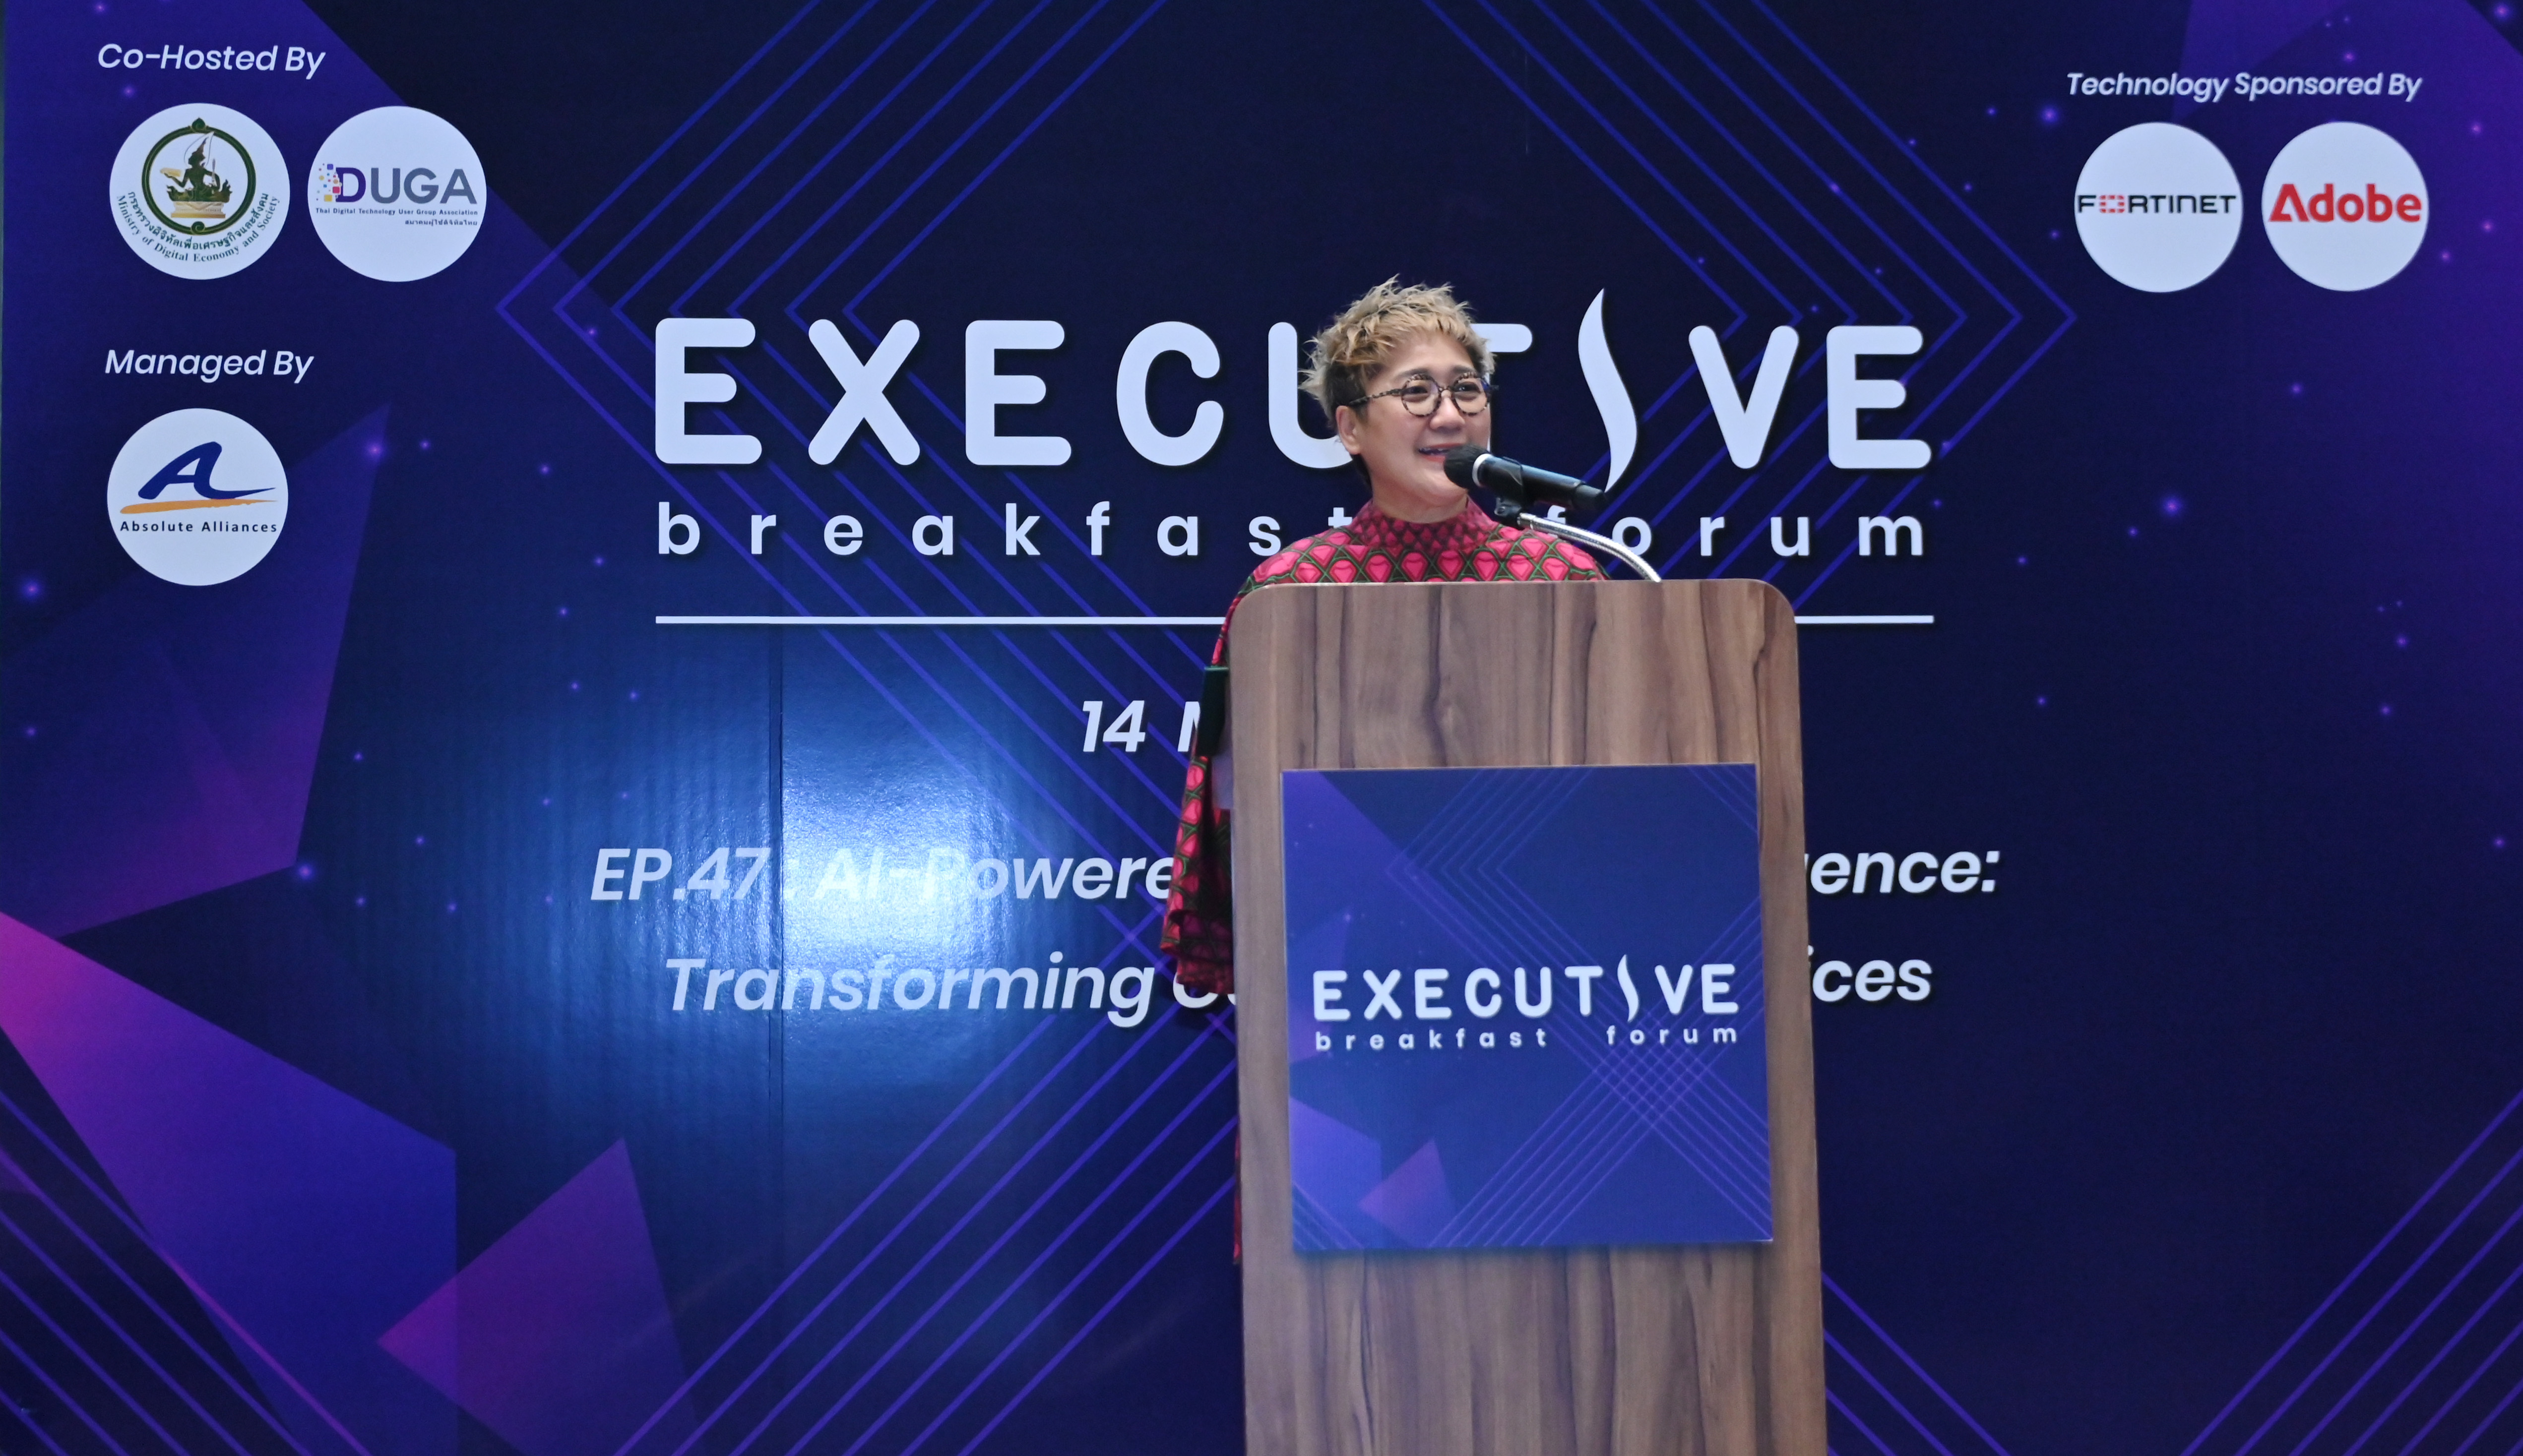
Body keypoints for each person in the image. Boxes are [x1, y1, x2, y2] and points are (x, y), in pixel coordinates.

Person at [1160, 280, 1605, 996]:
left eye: (1466, 389)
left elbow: (1622, 795)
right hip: (1345, 960)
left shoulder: (1562, 576)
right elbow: (1231, 804)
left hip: (1546, 951)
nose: (1449, 415)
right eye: (1416, 392)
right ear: (1350, 429)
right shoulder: (1291, 592)